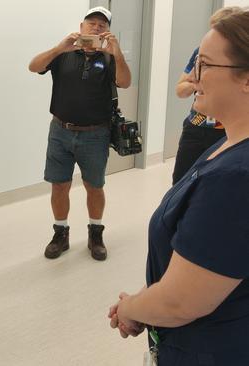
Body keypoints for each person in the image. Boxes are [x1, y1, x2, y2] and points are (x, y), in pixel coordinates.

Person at [109, 10, 249, 365]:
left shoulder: (235, 178)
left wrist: (132, 307)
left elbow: (181, 302)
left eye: (204, 65)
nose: (193, 77)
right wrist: (147, 300)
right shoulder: (226, 145)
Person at [28, 7, 131, 261]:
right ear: (81, 26)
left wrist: (117, 54)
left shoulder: (108, 58)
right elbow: (33, 66)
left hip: (95, 134)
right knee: (59, 185)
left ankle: (96, 233)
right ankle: (60, 233)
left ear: (106, 31)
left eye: (101, 25)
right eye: (91, 23)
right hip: (60, 131)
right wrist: (59, 48)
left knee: (94, 186)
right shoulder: (64, 54)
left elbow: (125, 82)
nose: (96, 27)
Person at [171, 6, 242, 185]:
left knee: (215, 182)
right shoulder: (199, 53)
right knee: (180, 181)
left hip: (223, 131)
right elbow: (180, 90)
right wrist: (199, 83)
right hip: (195, 127)